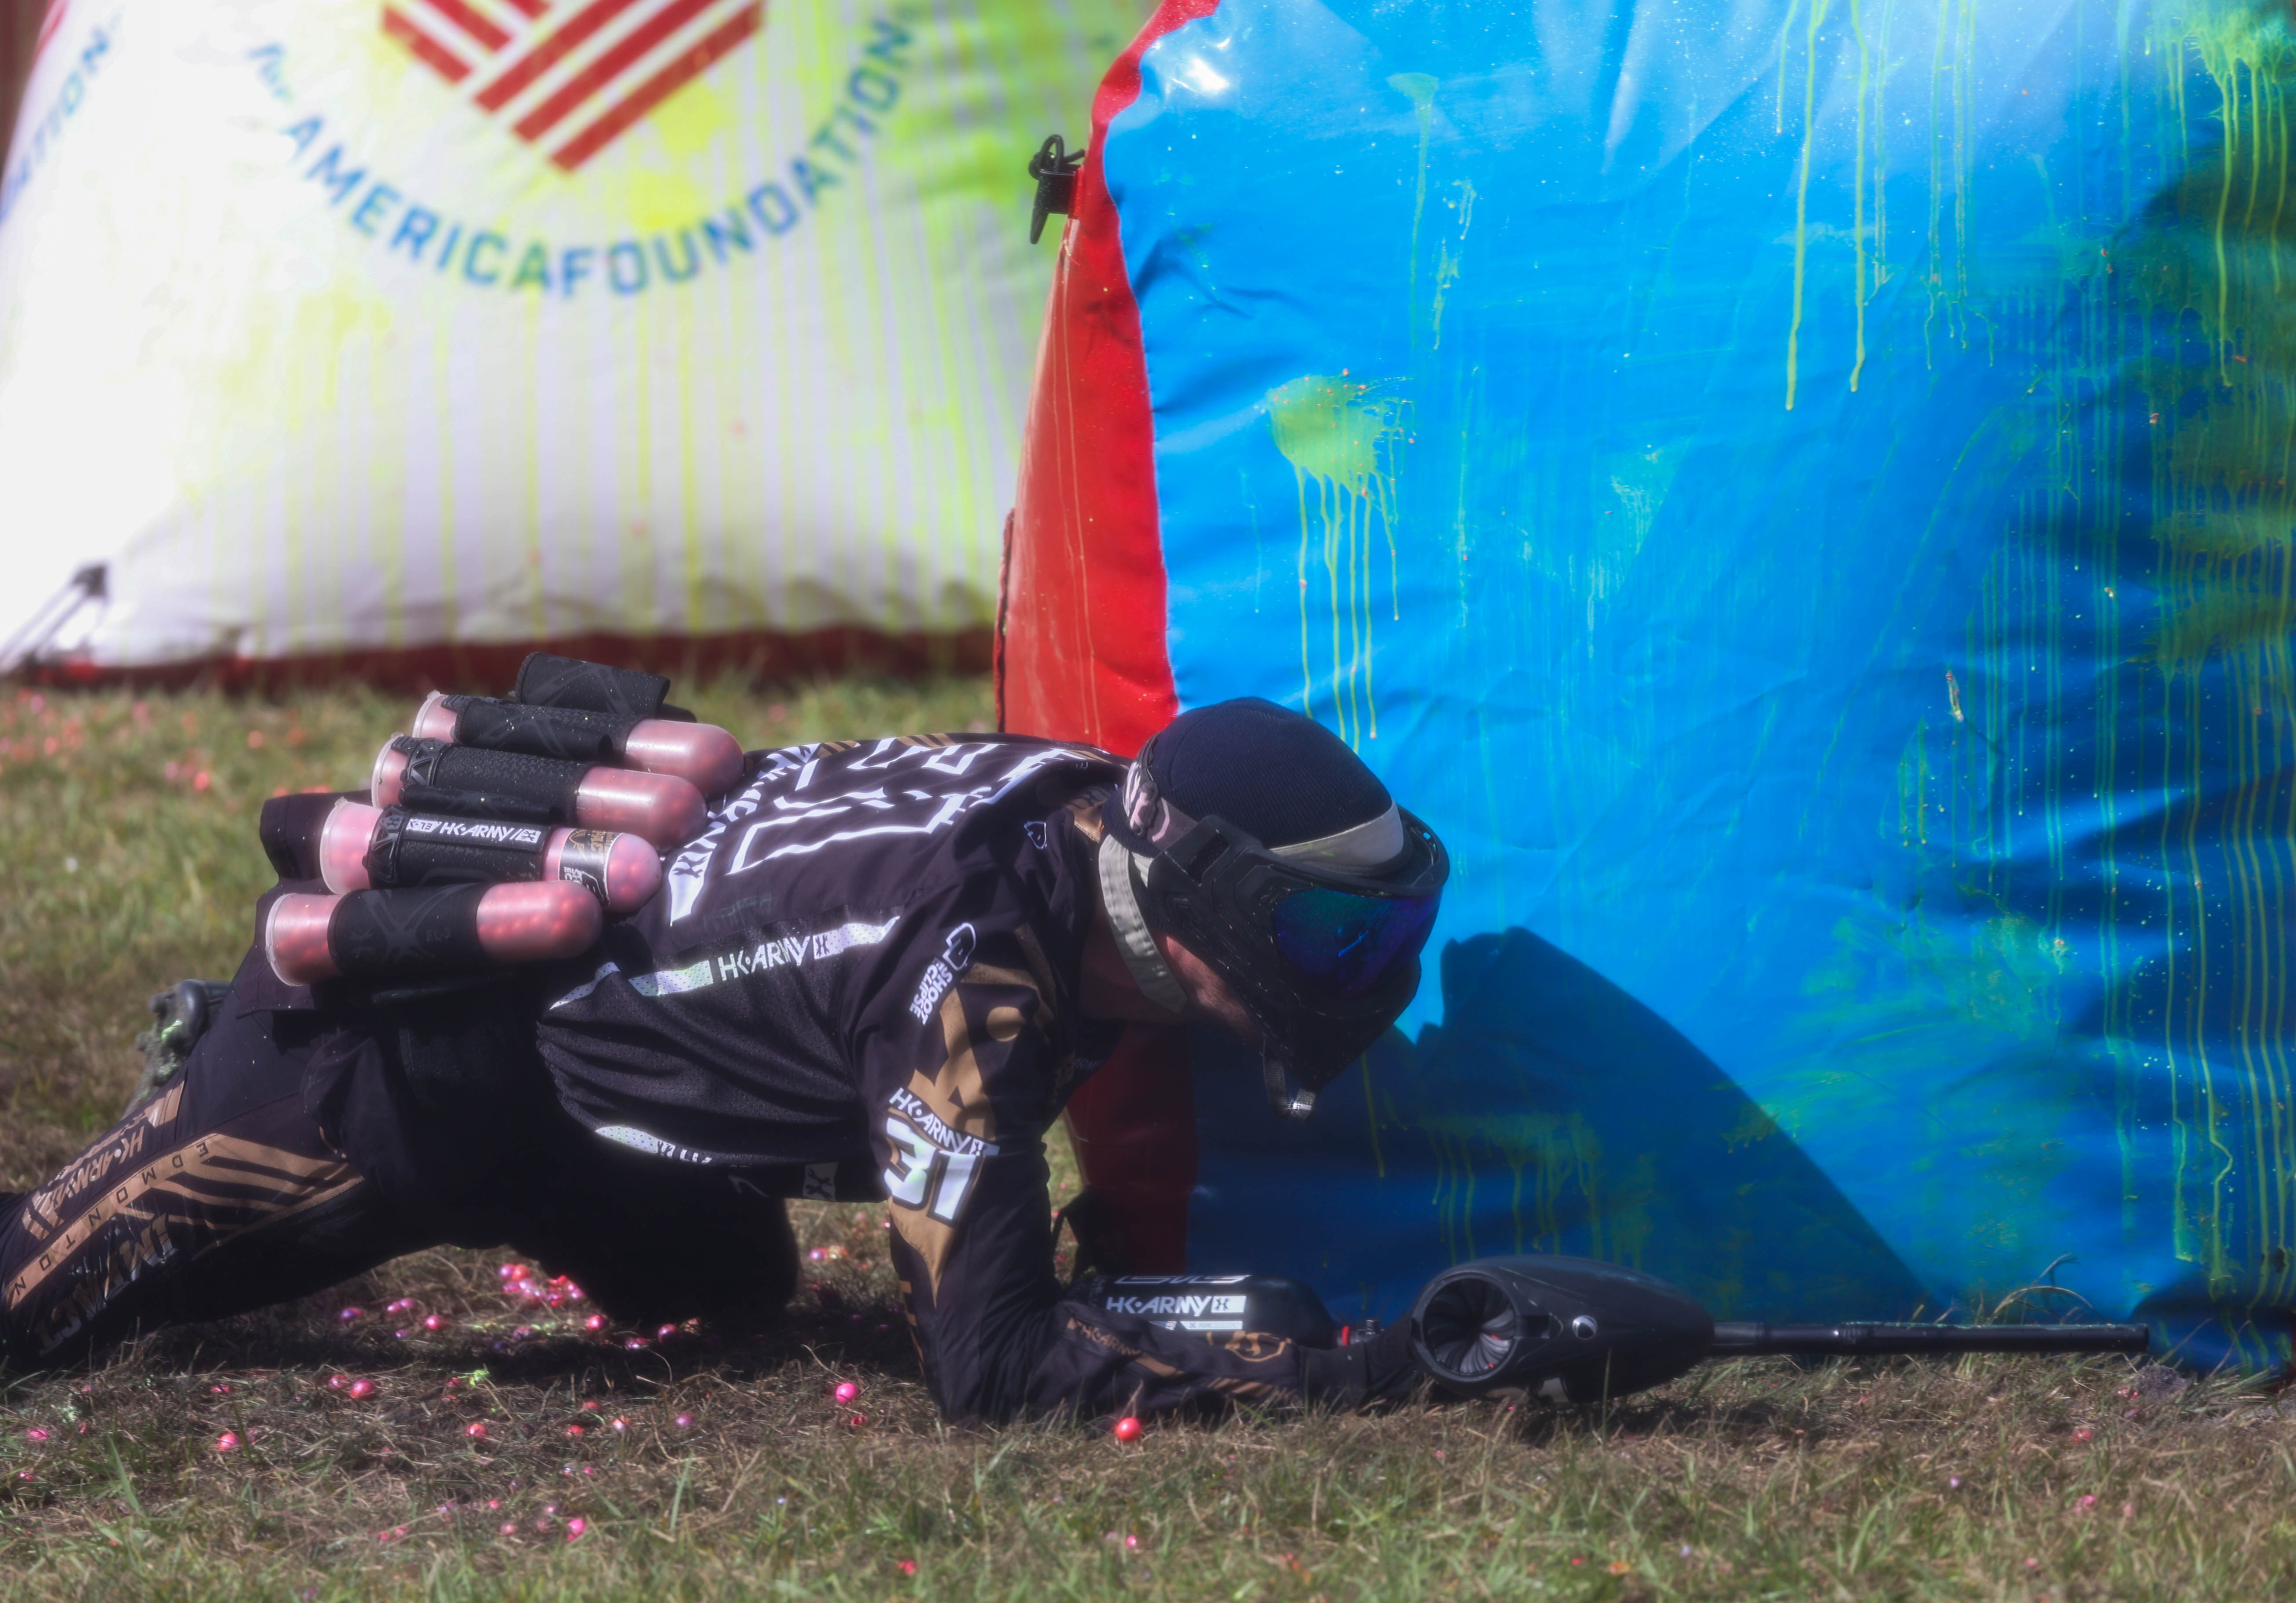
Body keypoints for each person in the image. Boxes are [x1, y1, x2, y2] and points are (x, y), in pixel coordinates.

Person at [0, 685, 1448, 1422]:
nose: (1363, 980)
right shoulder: (974, 985)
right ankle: (214, 1052)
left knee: (735, 1290)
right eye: (1330, 938)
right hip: (386, 1071)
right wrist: (1372, 1377)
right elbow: (994, 1371)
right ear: (1198, 894)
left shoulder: (1070, 796)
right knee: (51, 1298)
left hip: (598, 1123)